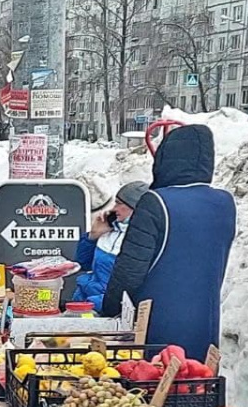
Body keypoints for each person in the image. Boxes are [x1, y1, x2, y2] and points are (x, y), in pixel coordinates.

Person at [101, 125, 236, 360]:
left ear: (165, 159)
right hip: (204, 322)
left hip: (156, 324)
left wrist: (110, 311)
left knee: (151, 386)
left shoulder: (156, 202)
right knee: (195, 382)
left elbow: (129, 271)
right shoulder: (224, 203)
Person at [73, 180, 149, 311]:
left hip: (105, 306)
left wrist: (94, 304)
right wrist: (93, 235)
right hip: (84, 299)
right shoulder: (109, 228)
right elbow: (83, 263)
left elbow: (131, 285)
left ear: (135, 207)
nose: (114, 209)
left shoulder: (142, 239)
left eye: (119, 204)